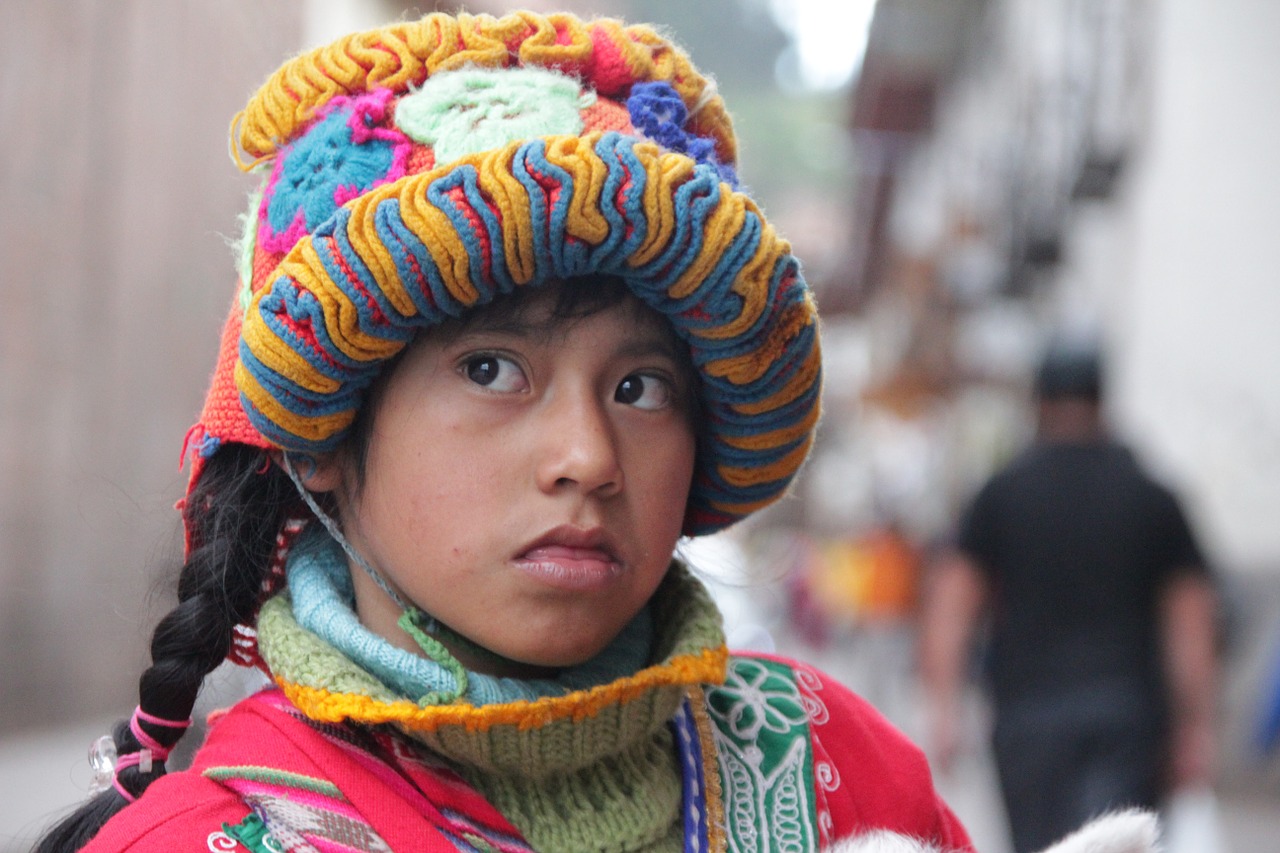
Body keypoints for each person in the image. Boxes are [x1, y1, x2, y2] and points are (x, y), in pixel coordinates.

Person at [33, 11, 975, 853]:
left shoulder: (843, 770)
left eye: (642, 387)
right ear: (324, 438)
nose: (589, 459)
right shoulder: (198, 841)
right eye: (491, 369)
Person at [919, 344, 1220, 853]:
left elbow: (952, 605)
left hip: (1028, 721)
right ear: (1103, 402)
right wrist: (1195, 728)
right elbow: (1190, 621)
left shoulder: (1000, 494)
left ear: (1038, 402)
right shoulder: (1153, 496)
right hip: (1129, 717)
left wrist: (945, 710)